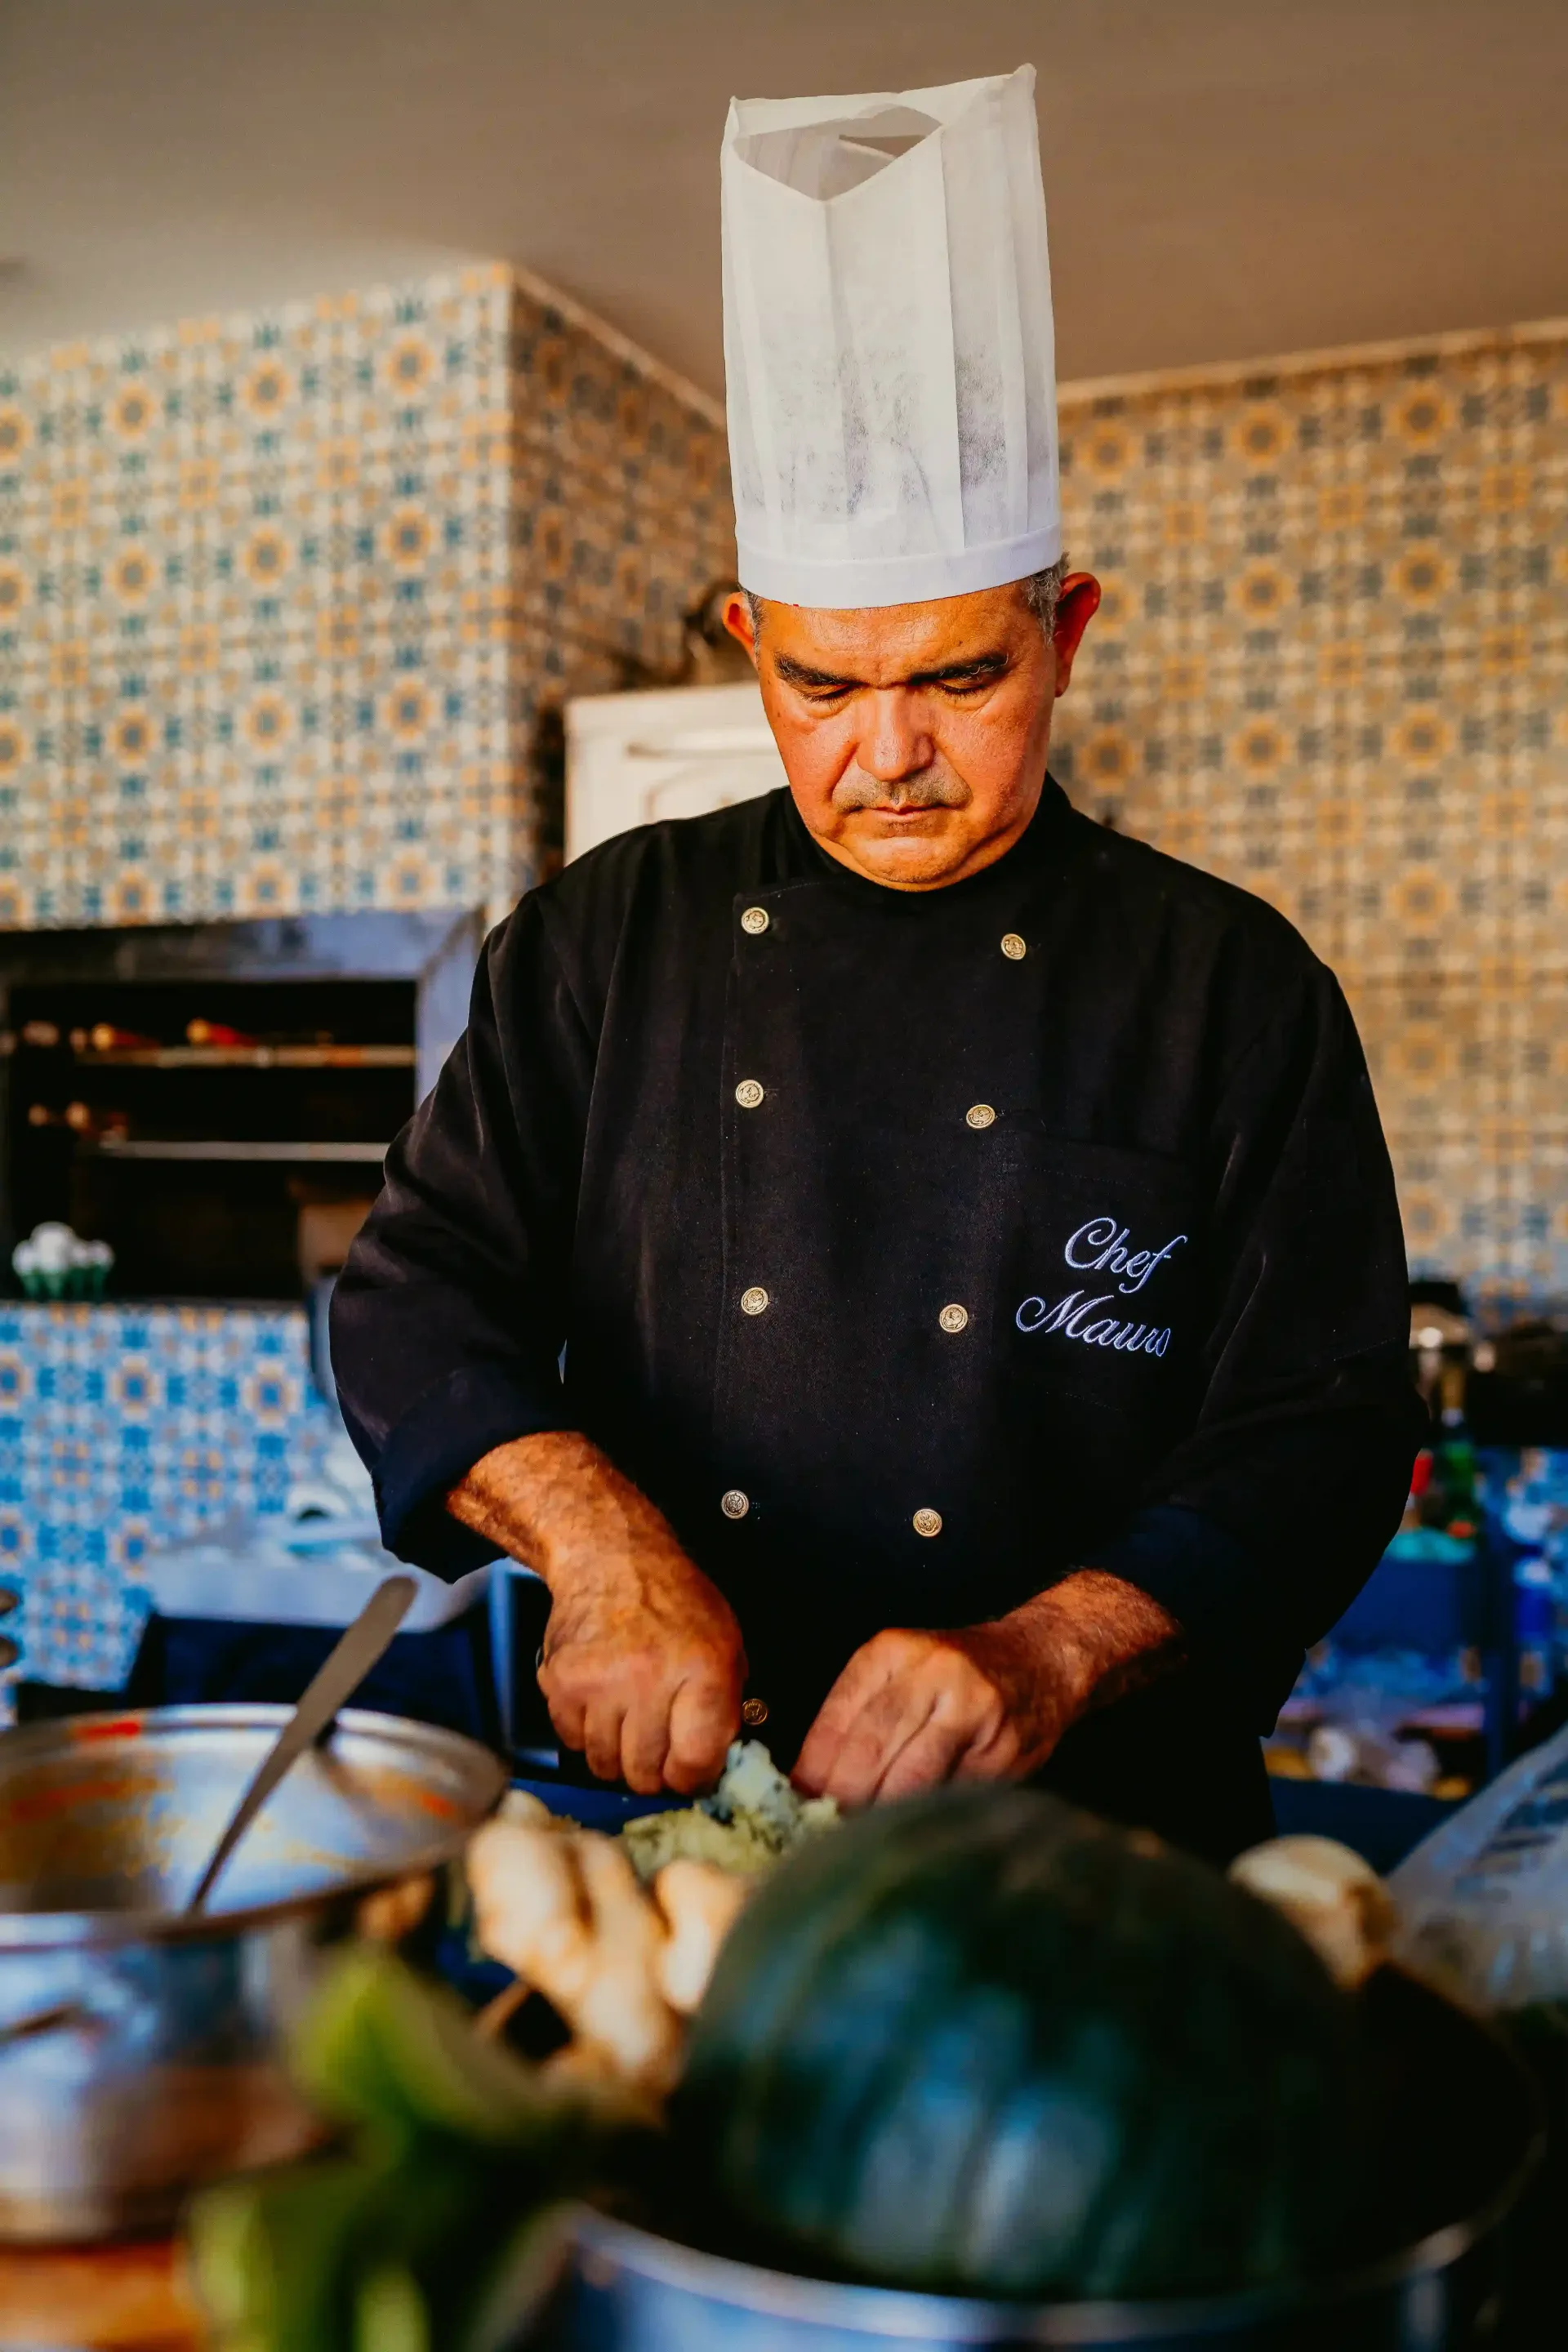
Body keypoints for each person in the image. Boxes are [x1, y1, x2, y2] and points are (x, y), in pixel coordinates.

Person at [332, 67, 1423, 1861]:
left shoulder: (1231, 986)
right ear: (753, 645)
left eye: (960, 682)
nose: (887, 754)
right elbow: (413, 1295)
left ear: (1062, 636)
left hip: (1098, 1852)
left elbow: (1320, 1428)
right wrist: (602, 1553)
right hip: (700, 1836)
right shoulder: (608, 939)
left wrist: (1058, 1649)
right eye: (821, 689)